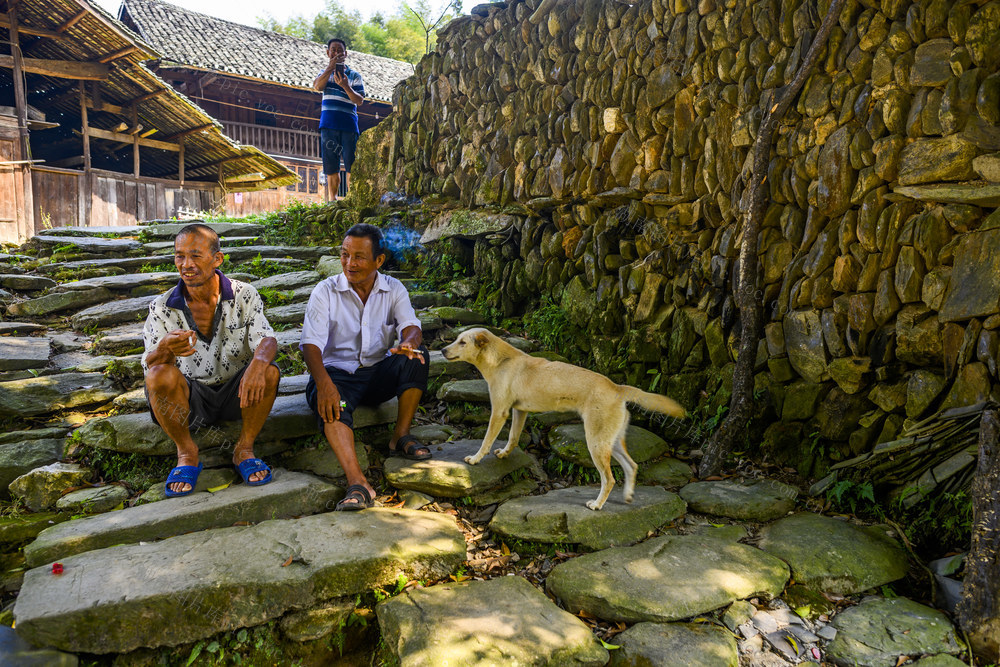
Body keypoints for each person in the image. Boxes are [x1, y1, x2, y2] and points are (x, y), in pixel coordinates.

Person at [142, 223, 280, 497]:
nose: (186, 264)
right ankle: (187, 453)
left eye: (196, 255)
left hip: (238, 394)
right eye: (180, 256)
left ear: (217, 259)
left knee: (269, 371)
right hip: (190, 399)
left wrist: (258, 364)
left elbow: (267, 339)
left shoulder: (244, 294)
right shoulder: (162, 306)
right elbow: (150, 363)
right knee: (158, 374)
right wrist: (166, 348)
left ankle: (244, 449)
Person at [300, 223, 431, 511]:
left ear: (379, 261)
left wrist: (408, 342)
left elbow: (411, 326)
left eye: (359, 257)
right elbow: (310, 345)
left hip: (377, 373)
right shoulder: (325, 291)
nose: (349, 263)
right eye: (345, 254)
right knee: (332, 406)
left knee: (417, 355)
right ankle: (358, 482)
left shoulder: (393, 288)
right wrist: (324, 385)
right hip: (337, 375)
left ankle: (401, 435)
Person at [313, 38, 365, 202]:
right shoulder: (324, 73)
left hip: (349, 124)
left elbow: (359, 100)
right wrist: (330, 68)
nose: (336, 53)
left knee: (350, 161)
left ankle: (351, 198)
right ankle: (333, 199)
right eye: (333, 50)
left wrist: (345, 86)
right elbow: (317, 87)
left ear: (346, 54)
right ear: (328, 53)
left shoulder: (354, 76)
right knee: (330, 163)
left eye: (340, 50)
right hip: (328, 123)